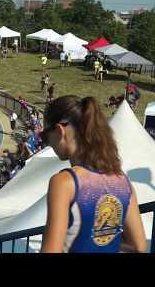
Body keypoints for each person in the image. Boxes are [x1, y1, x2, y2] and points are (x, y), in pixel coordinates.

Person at [40, 96, 146, 253]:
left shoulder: (64, 183)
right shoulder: (123, 181)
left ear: (59, 131)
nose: (46, 142)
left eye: (44, 136)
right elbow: (139, 247)